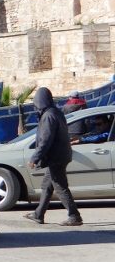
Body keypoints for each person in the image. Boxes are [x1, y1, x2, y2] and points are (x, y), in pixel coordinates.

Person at [25, 87, 82, 226]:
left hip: (56, 157)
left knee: (60, 186)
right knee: (47, 185)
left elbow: (45, 140)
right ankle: (39, 214)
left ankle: (74, 216)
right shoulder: (55, 112)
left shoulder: (48, 116)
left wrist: (35, 157)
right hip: (61, 155)